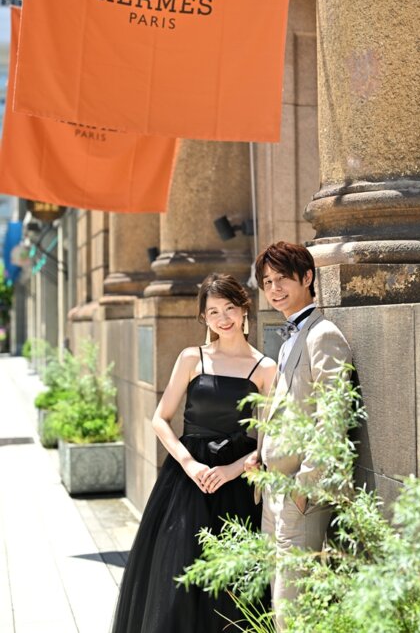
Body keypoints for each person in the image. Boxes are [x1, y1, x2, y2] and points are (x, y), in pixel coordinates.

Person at [111, 273, 276, 633]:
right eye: (213, 312)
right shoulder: (191, 358)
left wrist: (232, 470)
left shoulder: (265, 368)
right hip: (187, 480)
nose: (223, 318)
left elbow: (269, 437)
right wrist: (189, 463)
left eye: (229, 308)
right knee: (178, 575)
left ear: (244, 309)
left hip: (233, 482)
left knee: (231, 583)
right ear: (204, 317)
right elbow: (160, 419)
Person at [249, 241, 352, 630]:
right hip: (274, 489)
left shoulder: (322, 334)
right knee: (278, 599)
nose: (274, 289)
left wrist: (304, 486)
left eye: (282, 279)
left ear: (307, 277)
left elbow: (334, 414)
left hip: (299, 492)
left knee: (292, 609)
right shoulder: (291, 334)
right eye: (267, 282)